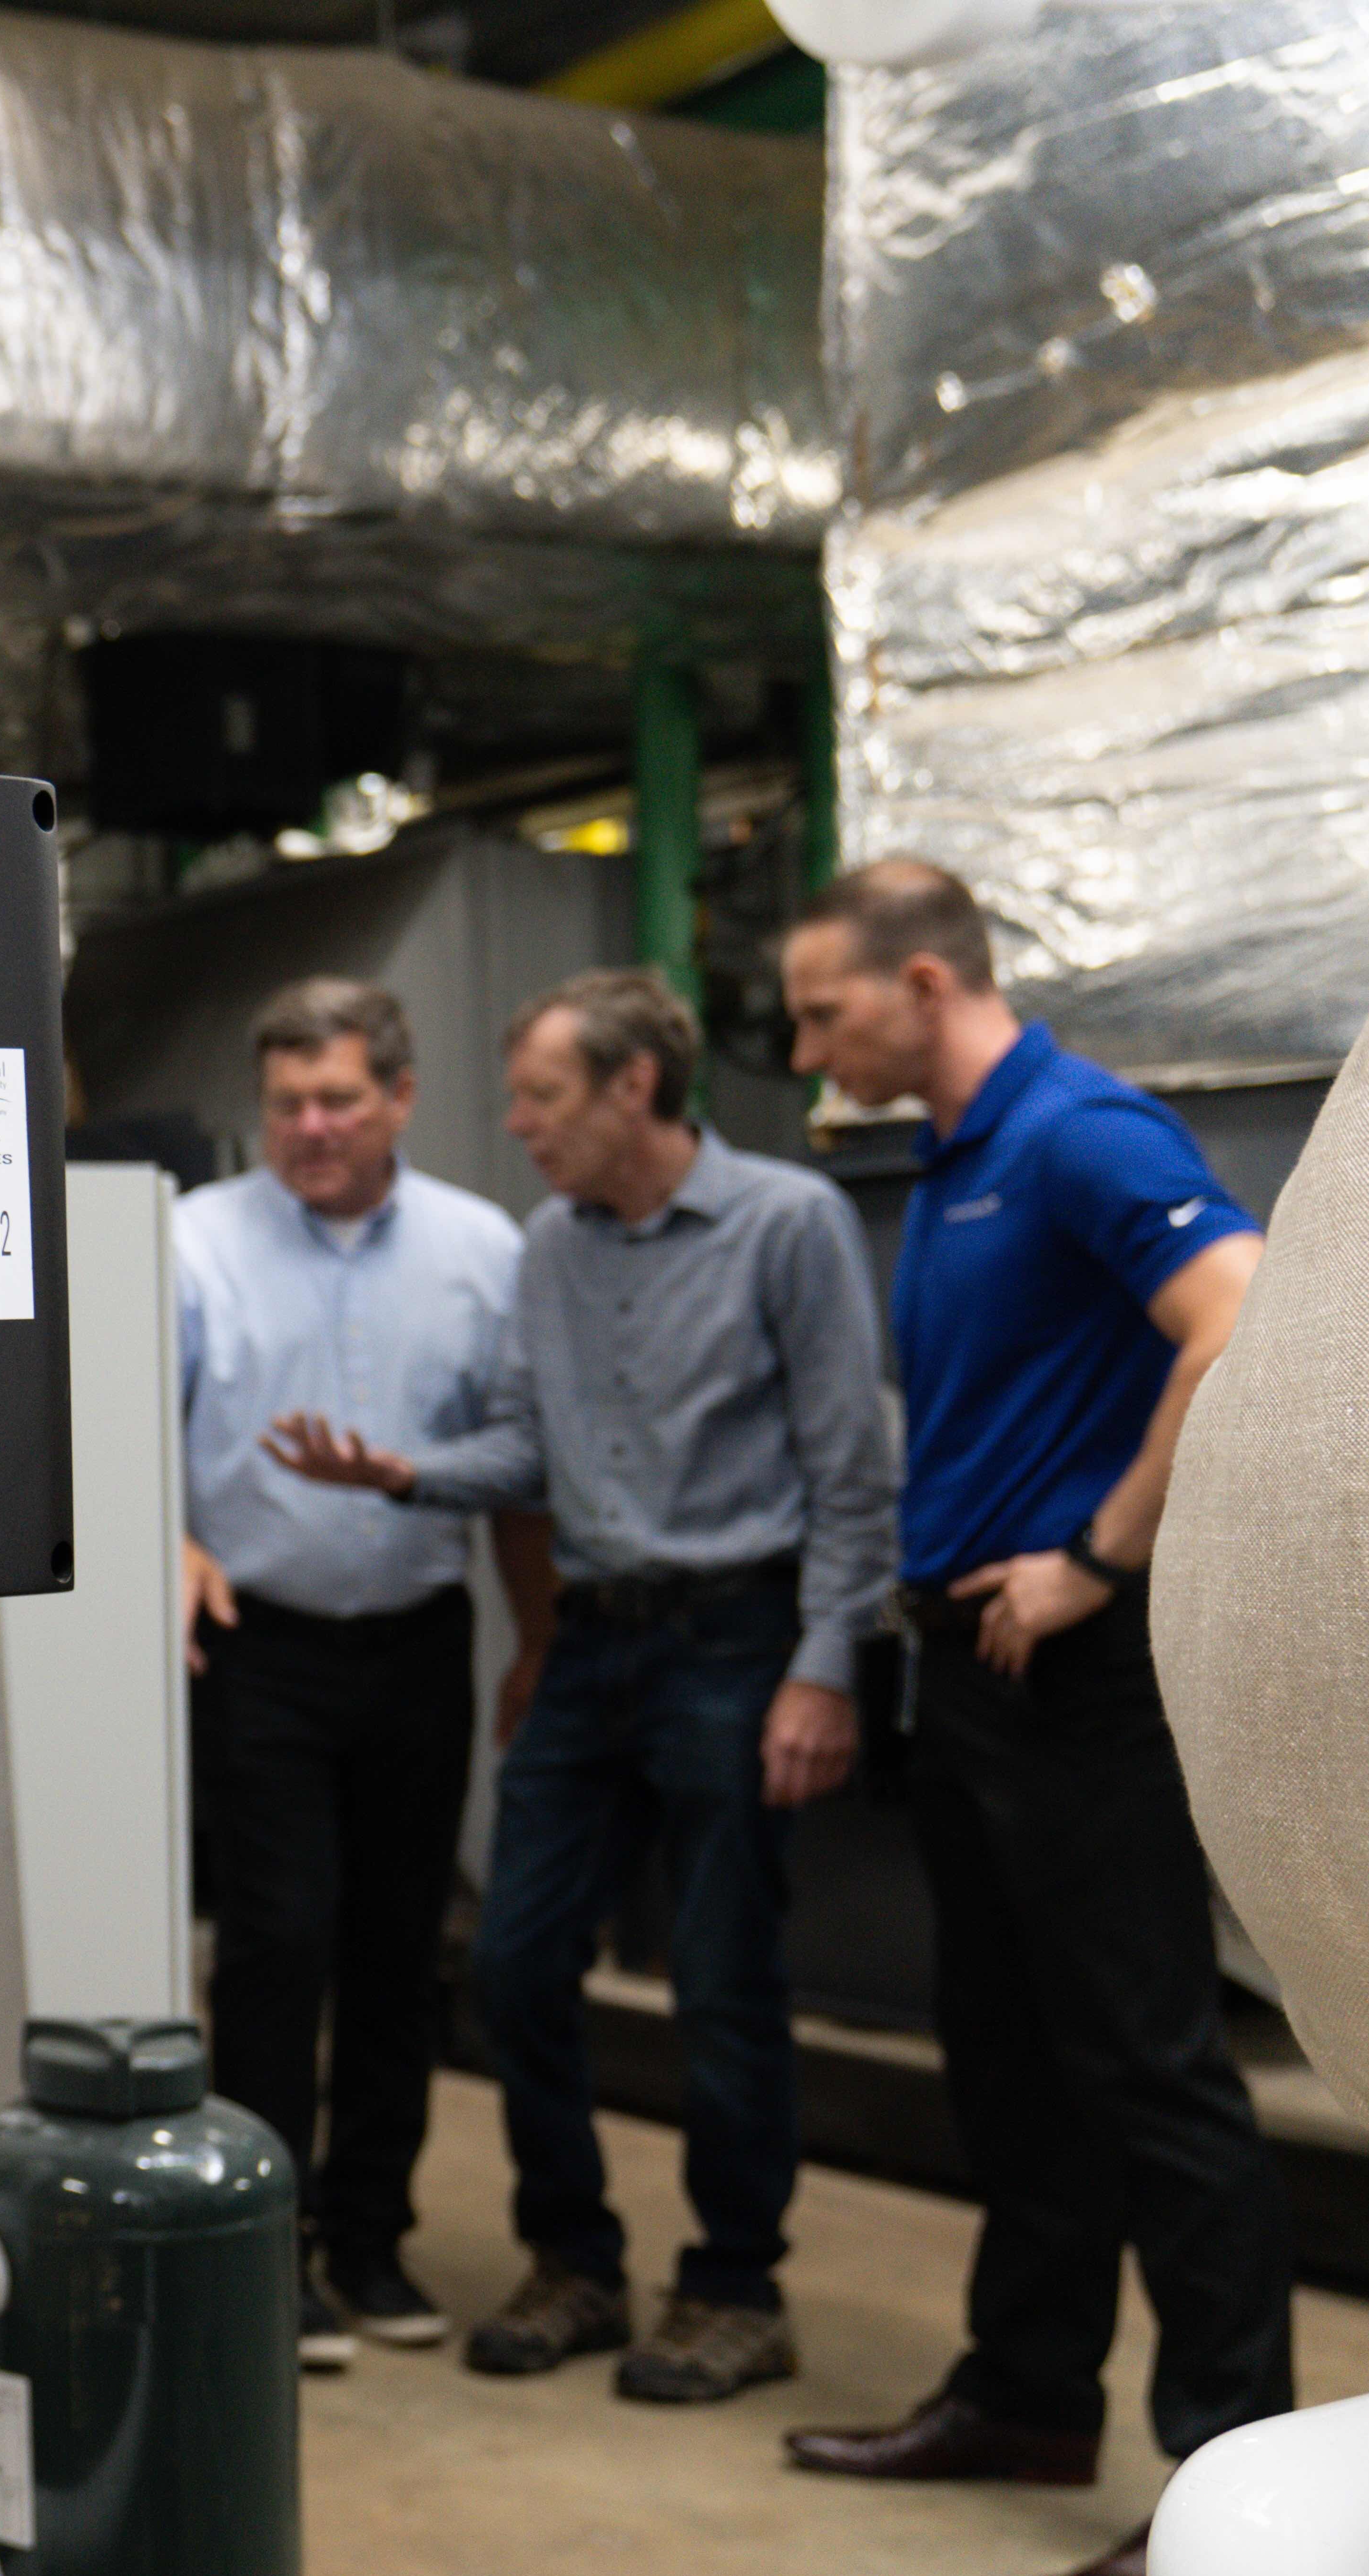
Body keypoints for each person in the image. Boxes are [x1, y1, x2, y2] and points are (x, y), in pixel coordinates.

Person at [769, 861, 1294, 2576]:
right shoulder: (954, 1159)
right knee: (1013, 2062)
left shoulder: (1078, 1133)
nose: (806, 1043)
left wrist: (1102, 1550)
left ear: (928, 980)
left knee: (1153, 2071)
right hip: (977, 1678)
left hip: (1078, 1672)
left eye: (828, 1010)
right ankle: (1026, 2396)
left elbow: (1239, 1311)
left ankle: (1233, 2498)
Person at [269, 969, 895, 2403]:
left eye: (544, 1098)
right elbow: (530, 1453)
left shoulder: (787, 1227)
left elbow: (853, 1479)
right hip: (596, 1644)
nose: (520, 1125)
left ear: (633, 1089)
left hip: (739, 1643)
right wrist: (405, 1473)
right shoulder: (550, 1247)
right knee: (514, 1963)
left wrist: (824, 1668)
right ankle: (580, 2261)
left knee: (726, 1982)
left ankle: (737, 2286)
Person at [174, 978, 556, 2374]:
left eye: (338, 1100)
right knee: (280, 1944)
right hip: (258, 1644)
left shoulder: (482, 1248)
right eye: (287, 1105)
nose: (312, 1128)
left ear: (398, 1096)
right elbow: (122, 1427)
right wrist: (173, 1543)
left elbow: (522, 1464)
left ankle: (373, 2236)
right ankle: (269, 2259)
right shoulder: (191, 1241)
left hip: (418, 1644)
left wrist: (539, 1638)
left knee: (402, 1948)